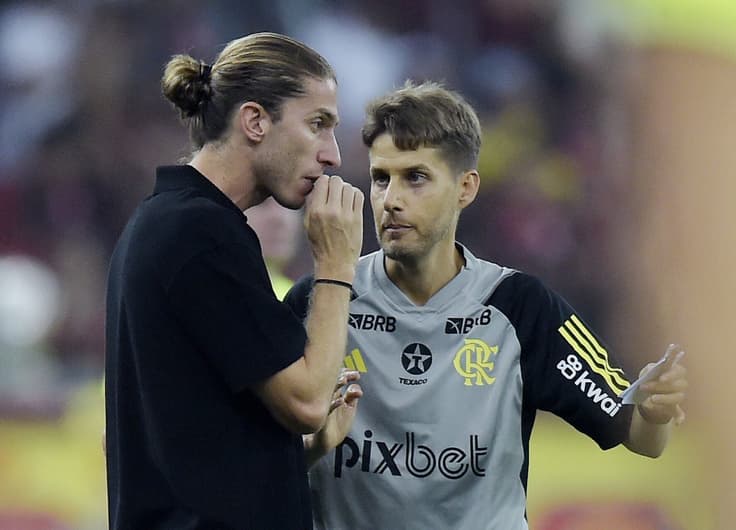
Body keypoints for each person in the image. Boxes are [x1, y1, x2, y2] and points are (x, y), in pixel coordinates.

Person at [284, 81, 688, 530]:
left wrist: (653, 411)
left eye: (416, 177)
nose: (391, 200)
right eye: (382, 178)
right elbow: (255, 459)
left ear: (465, 187)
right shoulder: (322, 298)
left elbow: (638, 435)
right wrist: (314, 445)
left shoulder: (520, 307)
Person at [104, 32, 364, 530]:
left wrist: (304, 451)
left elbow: (199, 455)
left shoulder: (168, 222)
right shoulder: (202, 234)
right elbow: (308, 400)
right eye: (317, 124)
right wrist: (335, 264)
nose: (332, 154)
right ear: (255, 121)